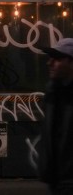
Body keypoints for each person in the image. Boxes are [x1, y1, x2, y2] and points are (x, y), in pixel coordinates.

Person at [39, 38, 73, 194]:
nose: (50, 63)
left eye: (57, 59)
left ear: (70, 62)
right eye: (50, 58)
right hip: (56, 181)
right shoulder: (52, 94)